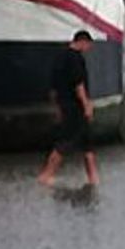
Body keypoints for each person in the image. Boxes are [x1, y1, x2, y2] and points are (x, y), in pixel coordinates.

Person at [37, 30, 99, 187]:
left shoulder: (59, 57)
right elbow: (79, 85)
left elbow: (52, 87)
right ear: (83, 42)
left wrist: (57, 106)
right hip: (75, 106)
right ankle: (46, 175)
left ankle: (93, 178)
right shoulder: (75, 59)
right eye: (88, 46)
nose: (88, 50)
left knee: (87, 143)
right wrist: (86, 105)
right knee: (66, 141)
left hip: (64, 104)